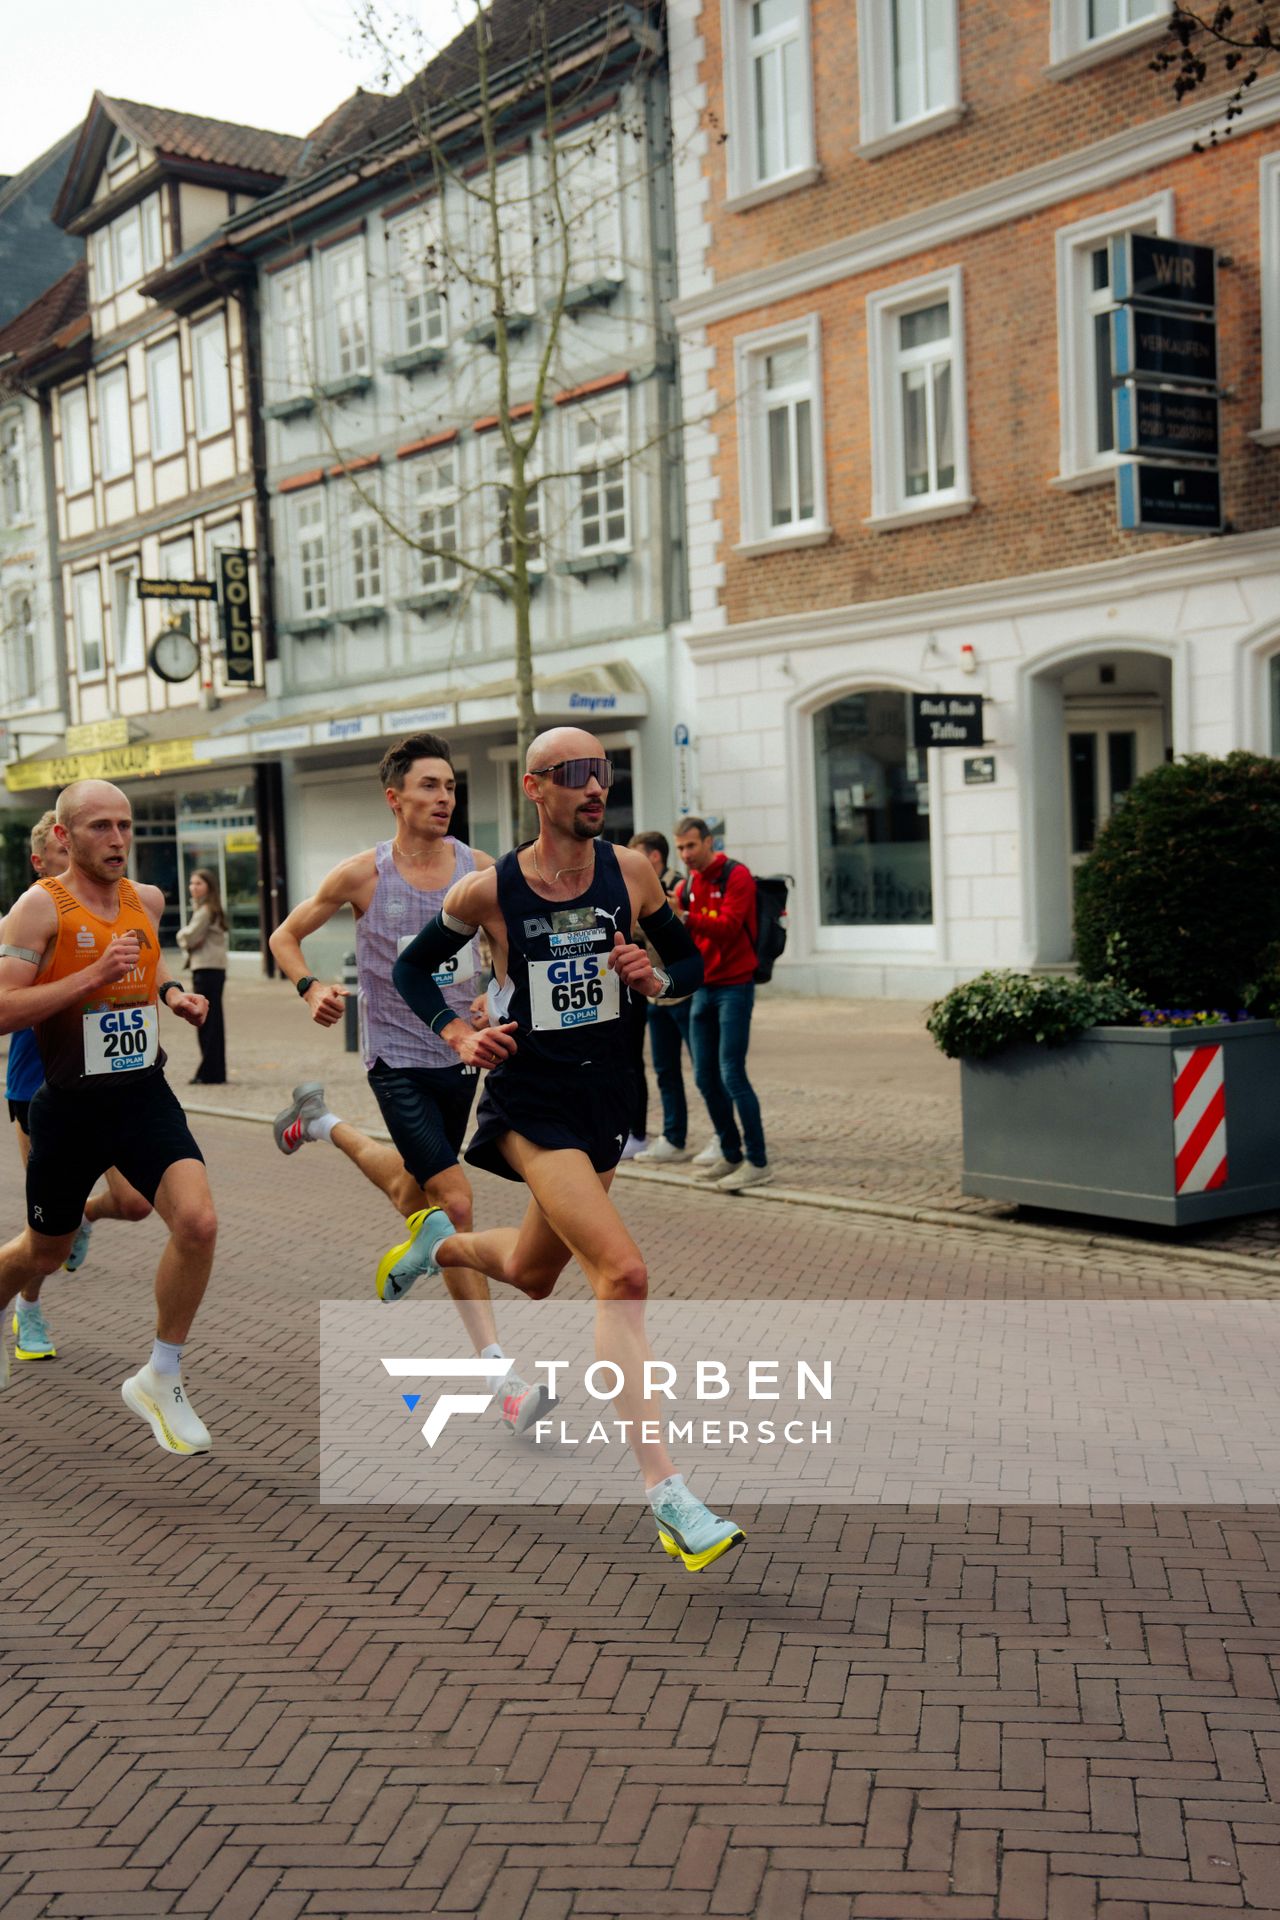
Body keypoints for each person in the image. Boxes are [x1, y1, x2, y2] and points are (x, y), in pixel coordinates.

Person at [391, 726, 746, 1573]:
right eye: (579, 775)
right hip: (532, 1102)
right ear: (535, 787)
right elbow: (413, 972)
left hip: (609, 1099)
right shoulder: (489, 891)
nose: (597, 788)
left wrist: (652, 979)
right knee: (621, 1274)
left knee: (533, 1272)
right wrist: (457, 1032)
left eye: (606, 773)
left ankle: (435, 1244)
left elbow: (692, 964)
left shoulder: (631, 872)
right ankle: (669, 1496)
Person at [267, 732, 552, 1436]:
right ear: (394, 798)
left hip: (463, 1060)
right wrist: (310, 989)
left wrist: (498, 997)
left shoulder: (479, 868)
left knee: (411, 1191)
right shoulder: (362, 876)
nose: (443, 798)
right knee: (453, 1202)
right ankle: (502, 1378)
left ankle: (320, 1121)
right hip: (395, 1058)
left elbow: (505, 951)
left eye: (450, 787)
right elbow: (283, 937)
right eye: (428, 787)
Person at [0, 779, 217, 1454]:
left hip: (141, 1093)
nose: (118, 839)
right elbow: (4, 1009)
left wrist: (175, 995)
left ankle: (162, 1374)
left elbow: (142, 969)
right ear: (63, 837)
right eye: (100, 826)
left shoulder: (144, 901)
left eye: (124, 825)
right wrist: (89, 980)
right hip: (68, 1106)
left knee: (197, 1221)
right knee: (45, 1250)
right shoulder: (39, 911)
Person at [3, 812, 156, 1362]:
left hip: (112, 1086)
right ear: (42, 862)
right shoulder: (28, 921)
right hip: (38, 1086)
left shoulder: (121, 906)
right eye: (59, 858)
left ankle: (85, 1215)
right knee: (45, 1238)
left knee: (136, 1202)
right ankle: (28, 1309)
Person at [674, 816, 770, 1191]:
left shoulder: (736, 875)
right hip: (704, 986)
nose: (685, 855)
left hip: (735, 986)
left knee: (731, 1072)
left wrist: (685, 916)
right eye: (680, 848)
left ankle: (758, 1161)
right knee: (703, 1076)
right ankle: (731, 1154)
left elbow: (729, 927)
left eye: (691, 846)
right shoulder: (692, 882)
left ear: (708, 842)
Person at [628, 832, 695, 1166]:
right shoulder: (641, 891)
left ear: (653, 858)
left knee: (704, 1071)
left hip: (684, 994)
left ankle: (727, 1142)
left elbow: (689, 938)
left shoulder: (677, 886)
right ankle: (673, 1136)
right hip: (657, 997)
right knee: (665, 1070)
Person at [175, 868, 228, 1085]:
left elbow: (188, 936)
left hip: (206, 969)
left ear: (209, 887)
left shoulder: (205, 911)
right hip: (215, 969)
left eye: (198, 883)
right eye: (191, 883)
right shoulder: (210, 909)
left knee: (205, 1021)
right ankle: (214, 1071)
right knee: (214, 1021)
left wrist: (181, 935)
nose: (193, 887)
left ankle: (209, 1073)